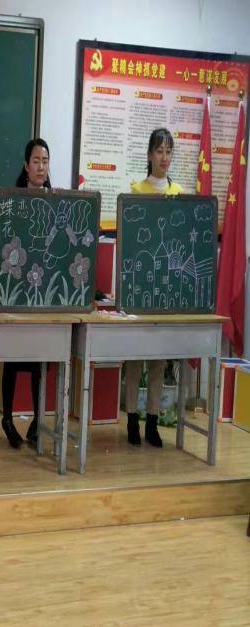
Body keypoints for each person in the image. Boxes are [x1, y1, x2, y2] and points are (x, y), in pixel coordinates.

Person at [125, 127, 183, 447]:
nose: (164, 157)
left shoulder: (179, 192)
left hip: (167, 286)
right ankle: (132, 419)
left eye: (168, 151)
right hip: (140, 283)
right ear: (149, 155)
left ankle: (152, 422)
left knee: (160, 358)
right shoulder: (137, 190)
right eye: (159, 151)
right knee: (136, 356)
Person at [0, 138, 51, 449]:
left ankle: (37, 420)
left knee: (39, 361)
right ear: (25, 165)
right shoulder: (13, 201)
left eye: (45, 161)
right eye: (36, 160)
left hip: (43, 296)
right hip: (18, 292)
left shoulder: (55, 201)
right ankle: (7, 418)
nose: (41, 166)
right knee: (12, 357)